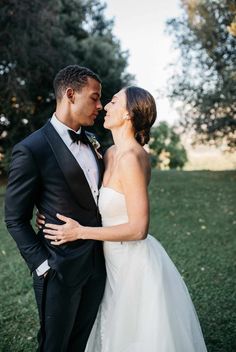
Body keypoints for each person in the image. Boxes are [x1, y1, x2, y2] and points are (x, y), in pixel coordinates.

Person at [42, 86, 208, 352]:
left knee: (134, 335)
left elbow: (138, 229)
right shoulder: (109, 154)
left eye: (114, 101)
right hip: (108, 260)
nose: (106, 106)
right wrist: (51, 215)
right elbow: (90, 196)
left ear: (129, 114)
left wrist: (79, 232)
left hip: (133, 263)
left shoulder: (132, 157)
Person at [4, 65, 107, 352]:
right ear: (71, 94)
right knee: (54, 346)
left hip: (98, 265)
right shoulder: (32, 148)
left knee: (80, 343)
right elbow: (14, 218)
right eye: (95, 98)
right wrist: (43, 265)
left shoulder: (92, 141)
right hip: (58, 269)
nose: (100, 106)